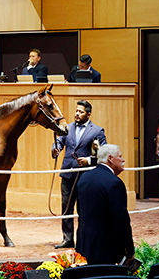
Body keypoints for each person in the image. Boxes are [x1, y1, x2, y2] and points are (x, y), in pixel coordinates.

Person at [51, 100, 107, 249]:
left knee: (84, 209)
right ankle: (67, 239)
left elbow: (104, 152)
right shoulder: (67, 128)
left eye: (81, 112)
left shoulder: (97, 131)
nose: (77, 114)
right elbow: (59, 142)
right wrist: (55, 149)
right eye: (76, 111)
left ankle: (83, 239)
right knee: (66, 208)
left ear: (88, 114)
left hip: (86, 177)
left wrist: (89, 160)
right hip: (68, 174)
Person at [76, 144, 135, 265]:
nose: (123, 160)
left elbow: (80, 211)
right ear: (110, 159)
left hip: (84, 246)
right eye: (120, 156)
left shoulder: (84, 177)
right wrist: (129, 250)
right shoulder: (115, 183)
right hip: (107, 250)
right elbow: (121, 220)